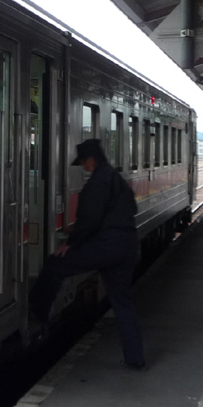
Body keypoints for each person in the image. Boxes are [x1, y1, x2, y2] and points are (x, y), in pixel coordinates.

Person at [29, 138, 146, 370]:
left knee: (56, 265)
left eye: (83, 162)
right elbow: (129, 209)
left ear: (91, 160)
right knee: (122, 302)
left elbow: (89, 221)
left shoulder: (97, 183)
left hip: (106, 247)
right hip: (127, 245)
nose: (83, 166)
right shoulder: (116, 180)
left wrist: (70, 243)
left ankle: (38, 315)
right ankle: (135, 359)